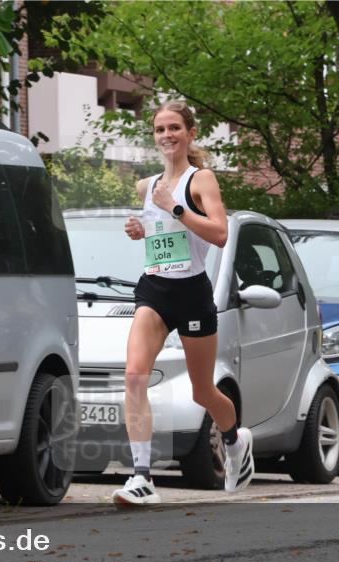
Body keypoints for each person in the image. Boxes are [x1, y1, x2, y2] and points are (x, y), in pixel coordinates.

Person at [111, 100, 253, 505]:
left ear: (190, 133)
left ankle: (233, 439)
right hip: (155, 289)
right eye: (160, 129)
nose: (167, 135)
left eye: (174, 128)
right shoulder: (146, 186)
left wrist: (173, 206)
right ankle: (142, 478)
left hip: (192, 293)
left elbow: (220, 234)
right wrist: (138, 228)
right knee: (135, 375)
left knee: (202, 391)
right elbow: (157, 232)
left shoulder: (200, 180)